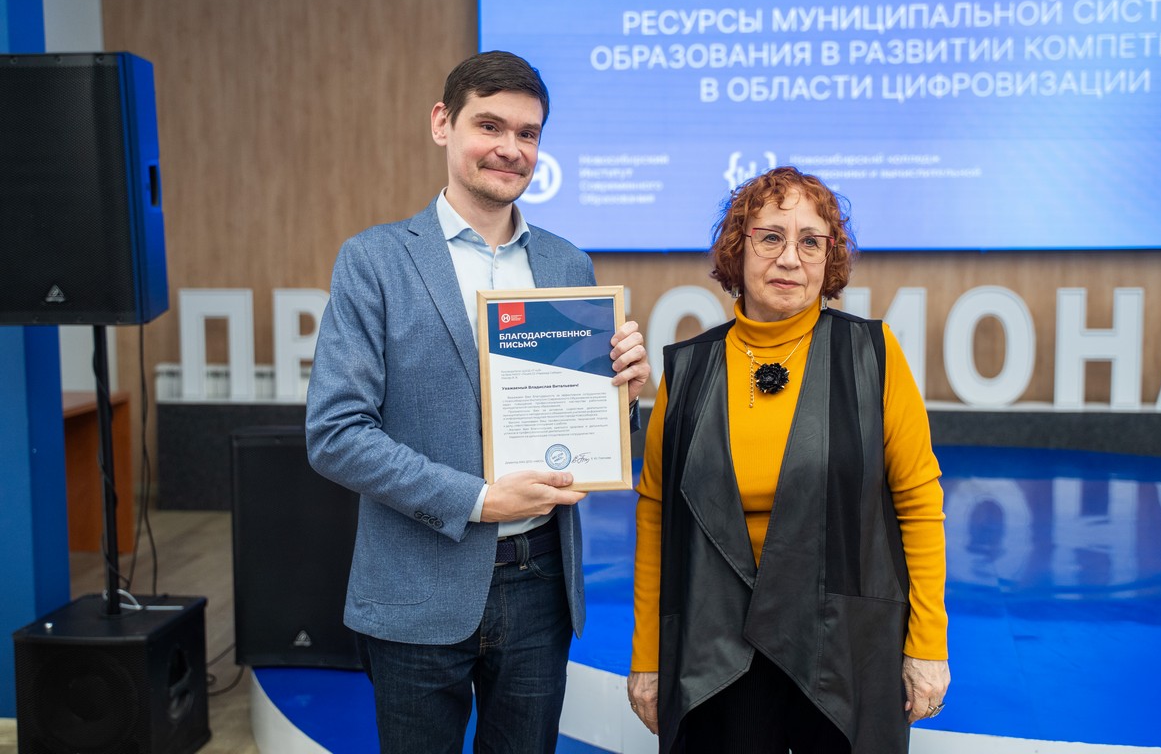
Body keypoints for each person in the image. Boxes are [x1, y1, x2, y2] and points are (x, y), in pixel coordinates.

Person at [306, 50, 650, 754]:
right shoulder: (375, 261)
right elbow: (336, 434)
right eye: (489, 126)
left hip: (541, 581)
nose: (510, 149)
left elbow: (590, 432)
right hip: (417, 580)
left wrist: (621, 398)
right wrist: (478, 499)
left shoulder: (566, 264)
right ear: (443, 123)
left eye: (528, 133)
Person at [626, 166, 949, 753]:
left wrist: (928, 645)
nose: (790, 259)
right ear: (738, 248)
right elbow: (656, 517)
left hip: (845, 648)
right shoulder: (689, 370)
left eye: (810, 241)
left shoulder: (872, 354)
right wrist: (648, 655)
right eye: (770, 237)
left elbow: (919, 502)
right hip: (716, 653)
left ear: (830, 257)